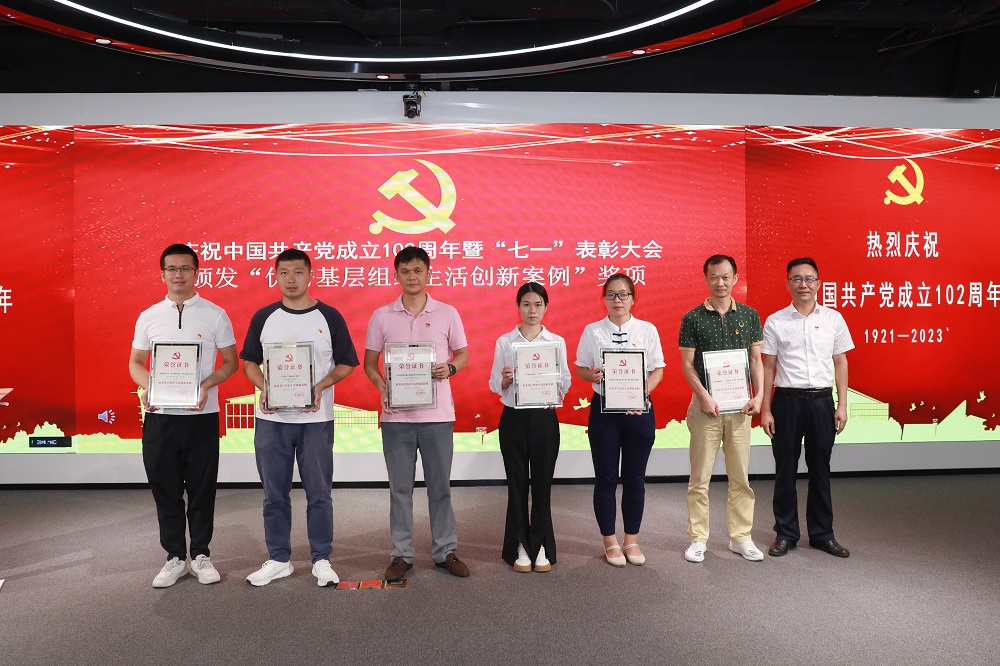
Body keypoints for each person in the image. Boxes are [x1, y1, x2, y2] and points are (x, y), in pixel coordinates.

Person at [240, 249, 359, 586]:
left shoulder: (329, 316)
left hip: (316, 420)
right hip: (272, 421)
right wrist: (265, 388)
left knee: (319, 494)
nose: (290, 279)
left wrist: (320, 386)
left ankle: (321, 558)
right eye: (283, 273)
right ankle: (279, 559)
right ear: (275, 276)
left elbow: (347, 362)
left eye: (297, 272)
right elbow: (249, 362)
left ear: (310, 275)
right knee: (274, 494)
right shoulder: (264, 317)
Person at [129, 243, 238, 588]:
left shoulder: (215, 314)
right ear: (162, 274)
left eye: (185, 268)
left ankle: (201, 555)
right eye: (172, 269)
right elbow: (135, 363)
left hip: (201, 415)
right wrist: (150, 387)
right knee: (165, 488)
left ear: (196, 272)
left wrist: (206, 385)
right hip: (161, 417)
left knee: (202, 490)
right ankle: (175, 556)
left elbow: (231, 363)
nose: (179, 274)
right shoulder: (149, 316)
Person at [363, 247, 471, 581]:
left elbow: (463, 354)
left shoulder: (447, 313)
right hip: (396, 419)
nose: (412, 276)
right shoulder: (382, 316)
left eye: (418, 270)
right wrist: (383, 387)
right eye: (406, 271)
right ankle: (401, 554)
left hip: (437, 416)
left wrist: (450, 368)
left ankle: (445, 551)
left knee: (440, 488)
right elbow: (369, 363)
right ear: (396, 275)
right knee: (400, 490)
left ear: (429, 273)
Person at [760, 257, 854, 558]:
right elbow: (768, 367)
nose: (804, 284)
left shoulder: (833, 319)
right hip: (786, 402)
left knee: (821, 470)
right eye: (797, 279)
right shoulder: (776, 321)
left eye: (809, 279)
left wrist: (842, 405)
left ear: (818, 283)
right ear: (788, 283)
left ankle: (822, 535)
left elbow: (841, 362)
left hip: (822, 403)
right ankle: (785, 534)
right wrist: (766, 409)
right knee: (785, 471)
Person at [679, 255, 765, 563]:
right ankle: (698, 539)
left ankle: (741, 538)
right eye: (714, 277)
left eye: (726, 277)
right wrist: (703, 395)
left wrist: (759, 396)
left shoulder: (749, 316)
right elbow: (687, 365)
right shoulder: (692, 318)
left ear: (735, 278)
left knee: (740, 478)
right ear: (705, 278)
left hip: (740, 409)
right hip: (706, 409)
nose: (720, 282)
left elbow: (756, 360)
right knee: (699, 479)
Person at [575, 273, 665, 567]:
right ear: (604, 298)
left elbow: (658, 369)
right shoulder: (592, 331)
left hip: (639, 411)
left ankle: (632, 540)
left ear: (633, 298)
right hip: (604, 412)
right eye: (611, 295)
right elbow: (581, 369)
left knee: (635, 479)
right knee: (606, 479)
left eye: (623, 294)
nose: (617, 300)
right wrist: (592, 375)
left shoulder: (647, 329)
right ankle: (610, 541)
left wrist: (641, 393)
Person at [489, 282, 571, 573]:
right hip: (513, 419)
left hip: (544, 419)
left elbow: (565, 379)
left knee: (542, 486)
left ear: (546, 307)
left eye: (538, 304)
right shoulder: (505, 342)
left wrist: (556, 390)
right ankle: (521, 545)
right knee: (517, 486)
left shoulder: (556, 341)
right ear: (518, 307)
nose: (532, 310)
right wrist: (505, 379)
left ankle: (541, 546)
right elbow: (493, 382)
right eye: (526, 304)